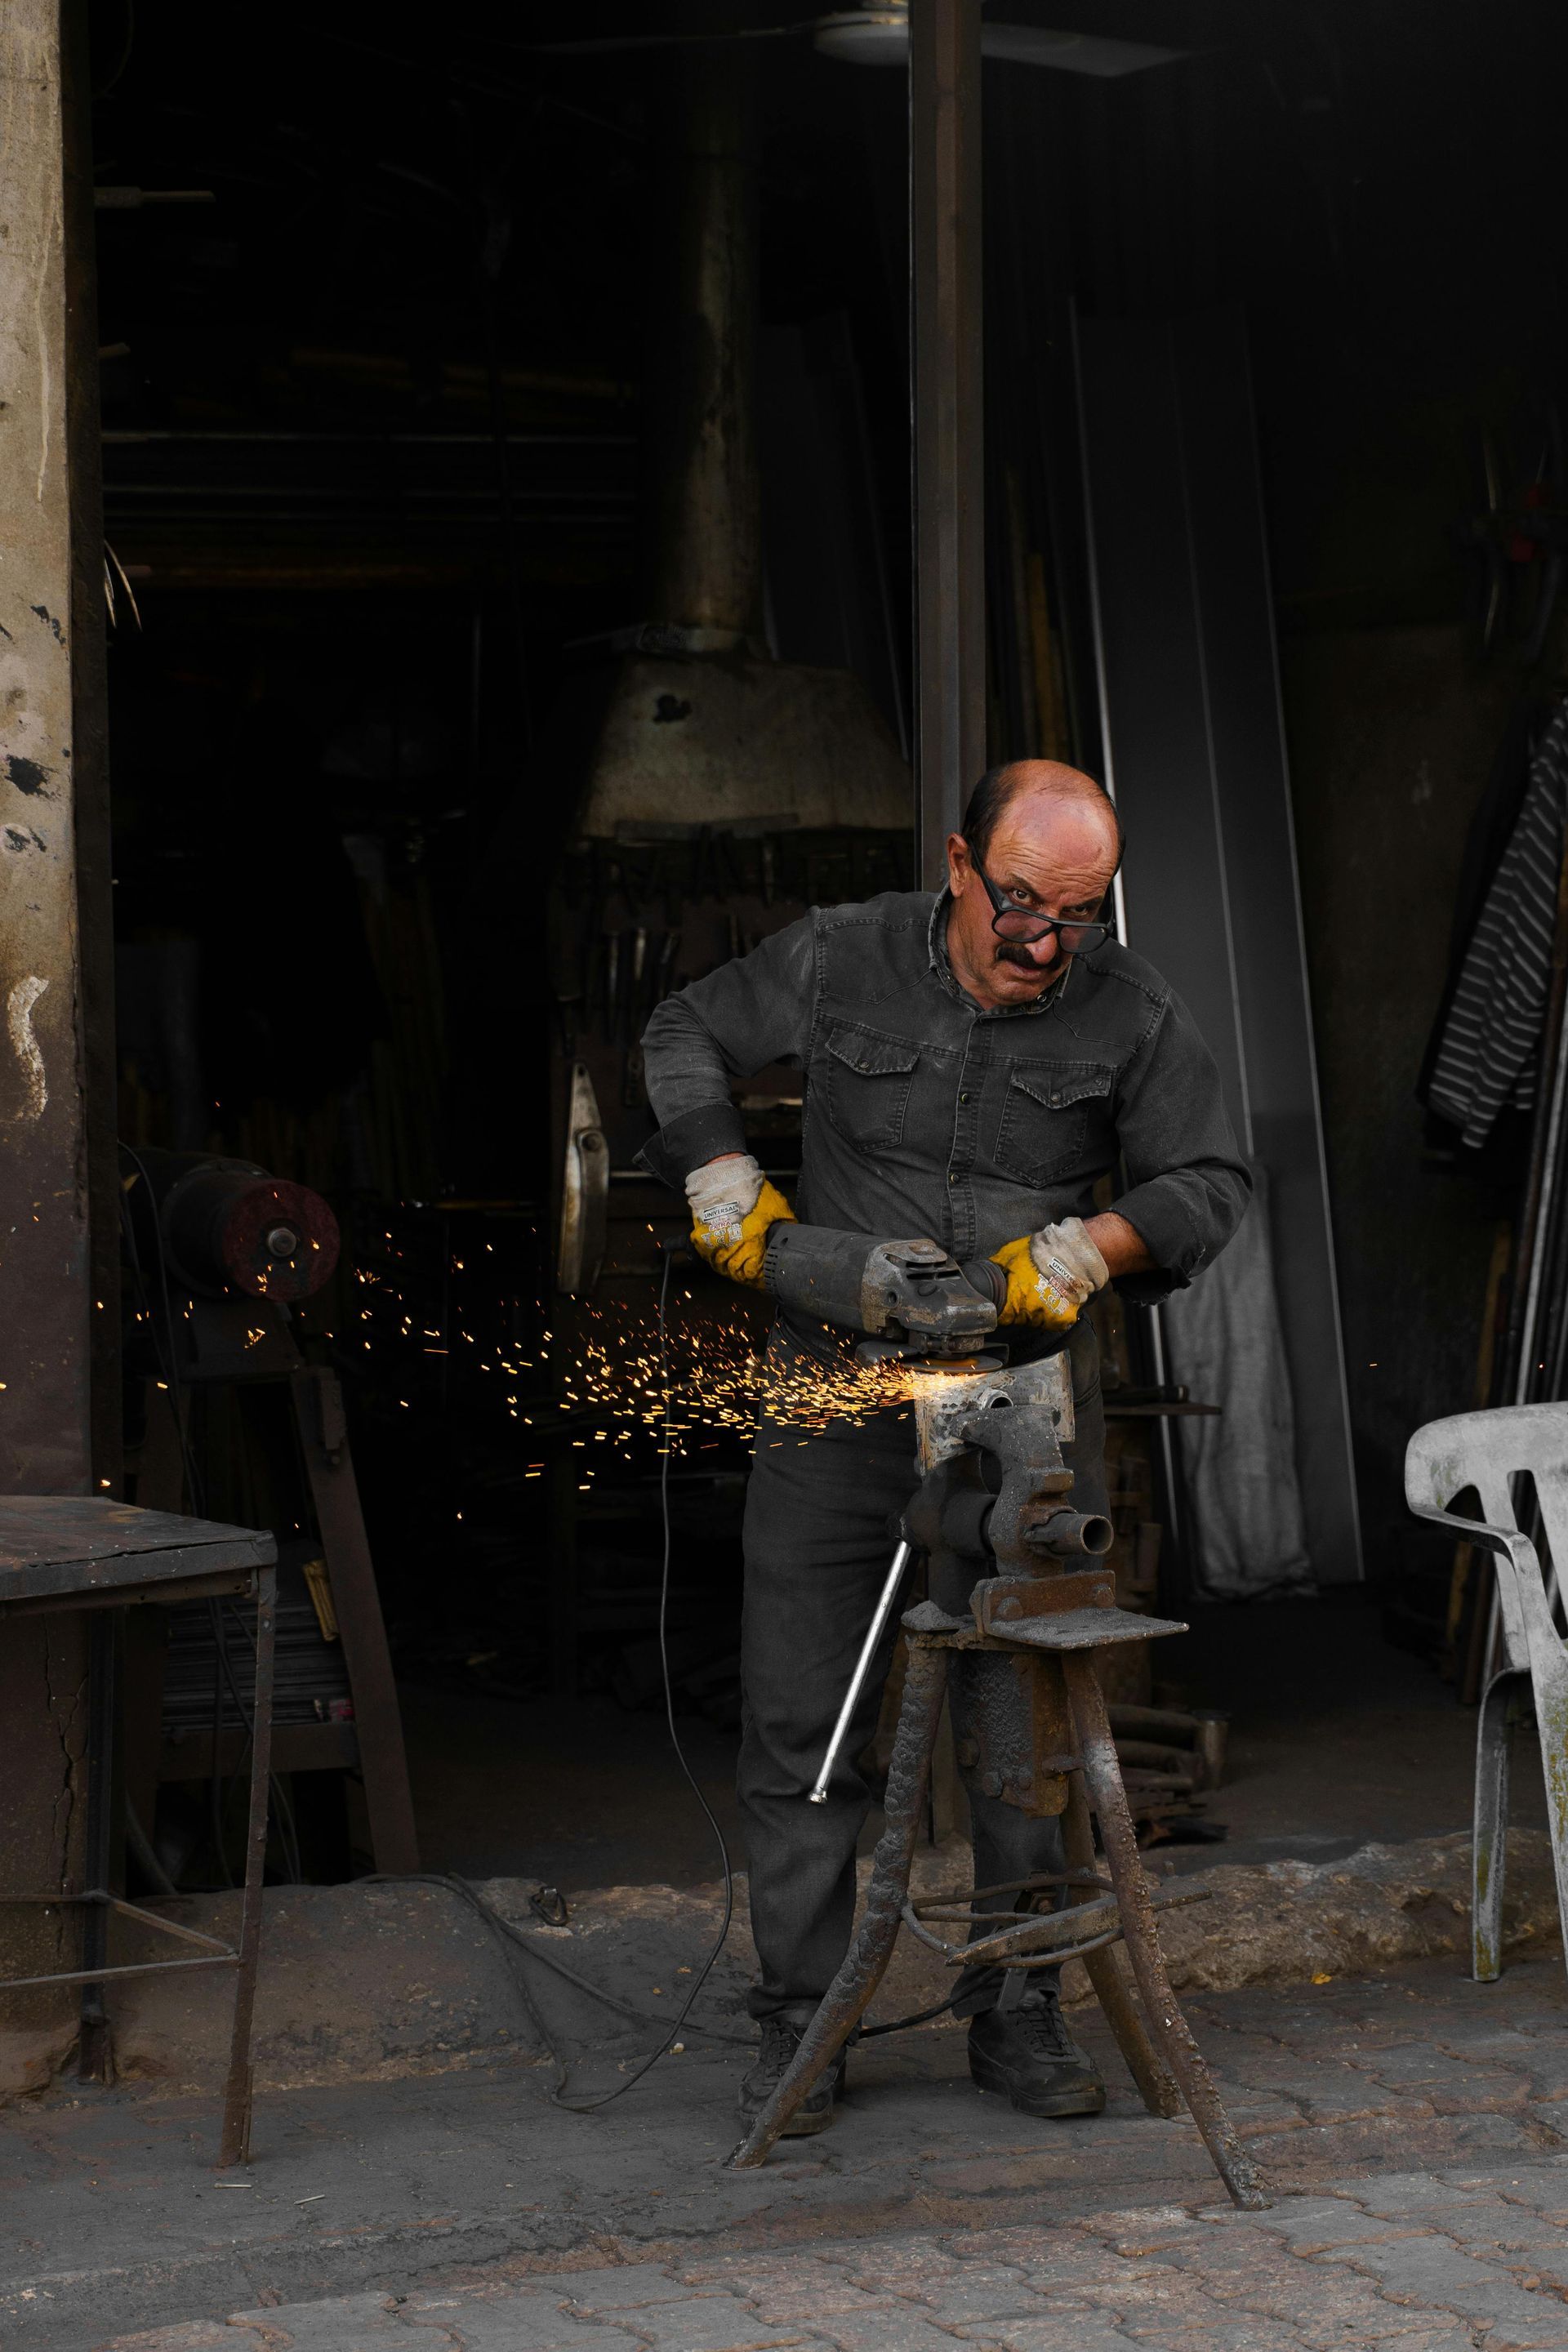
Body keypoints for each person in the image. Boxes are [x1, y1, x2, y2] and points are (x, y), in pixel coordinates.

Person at [639, 759, 1250, 2136]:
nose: (1042, 944)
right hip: (833, 1404)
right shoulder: (842, 954)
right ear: (961, 865)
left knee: (1018, 1731)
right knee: (807, 1721)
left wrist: (1090, 1249)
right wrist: (723, 1178)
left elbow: (1211, 1184)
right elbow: (681, 1031)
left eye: (1076, 917)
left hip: (1013, 1420)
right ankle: (804, 2025)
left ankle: (1019, 2012)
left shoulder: (1132, 1010)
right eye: (1020, 904)